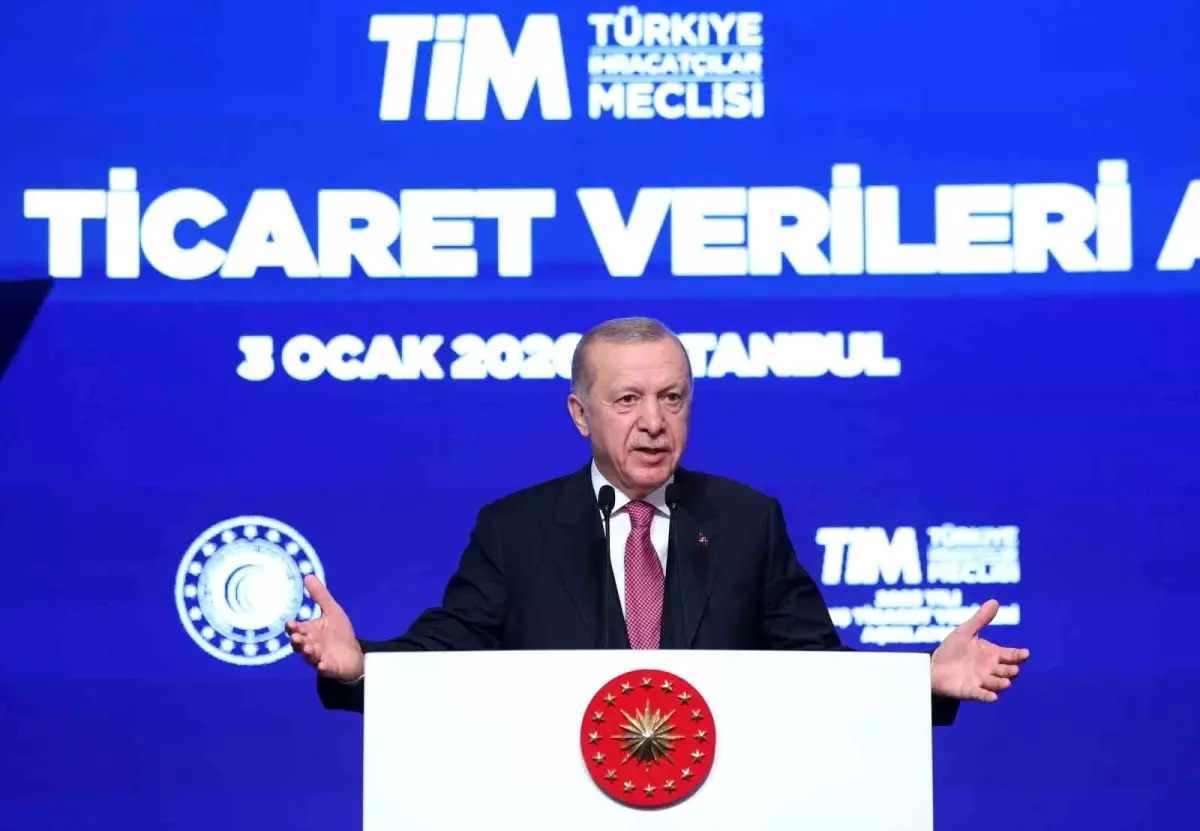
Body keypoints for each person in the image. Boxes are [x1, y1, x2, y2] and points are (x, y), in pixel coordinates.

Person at [288, 316, 1029, 723]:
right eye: (627, 400)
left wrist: (922, 680)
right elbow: (446, 656)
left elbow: (817, 672)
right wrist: (362, 665)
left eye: (672, 399)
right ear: (580, 414)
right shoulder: (515, 530)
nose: (653, 422)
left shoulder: (746, 520)